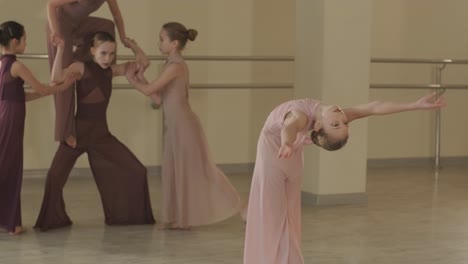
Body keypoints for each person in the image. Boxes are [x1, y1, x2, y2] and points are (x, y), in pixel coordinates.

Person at [243, 93, 447, 263]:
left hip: (283, 154)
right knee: (274, 217)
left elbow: (291, 126)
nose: (341, 117)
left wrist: (287, 143)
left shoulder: (303, 116)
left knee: (284, 217)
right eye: (343, 123)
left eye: (336, 124)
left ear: (318, 126)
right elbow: (374, 107)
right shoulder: (316, 116)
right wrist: (414, 105)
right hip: (281, 154)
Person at [34, 31, 155, 231]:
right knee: (54, 177)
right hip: (77, 135)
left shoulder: (111, 71)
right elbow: (56, 78)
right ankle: (54, 219)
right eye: (103, 53)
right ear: (92, 51)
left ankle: (128, 216)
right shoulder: (82, 68)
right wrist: (61, 49)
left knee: (138, 170)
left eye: (112, 54)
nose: (108, 59)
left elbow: (143, 63)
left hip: (101, 136)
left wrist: (131, 45)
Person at [125, 22, 241, 230]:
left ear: (174, 43)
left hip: (185, 126)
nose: (158, 43)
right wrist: (139, 77)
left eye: (162, 39)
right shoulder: (169, 65)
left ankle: (242, 206)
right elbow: (158, 98)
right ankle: (175, 218)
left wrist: (131, 79)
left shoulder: (176, 67)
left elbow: (149, 89)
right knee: (172, 170)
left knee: (203, 170)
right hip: (174, 126)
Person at [0, 20, 76, 235]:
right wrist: (64, 86)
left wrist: (53, 89)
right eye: (24, 40)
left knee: (6, 165)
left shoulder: (2, 64)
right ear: (15, 42)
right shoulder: (17, 65)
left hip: (5, 114)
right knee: (10, 167)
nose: (26, 43)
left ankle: (10, 221)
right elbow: (42, 89)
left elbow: (18, 96)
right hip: (11, 119)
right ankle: (12, 223)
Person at [46, 0, 138, 146]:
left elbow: (116, 15)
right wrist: (55, 32)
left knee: (107, 26)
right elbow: (51, 5)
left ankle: (99, 71)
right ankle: (66, 131)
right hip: (60, 26)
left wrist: (123, 37)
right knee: (64, 82)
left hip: (79, 25)